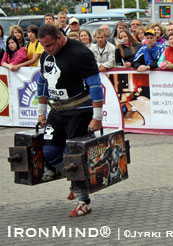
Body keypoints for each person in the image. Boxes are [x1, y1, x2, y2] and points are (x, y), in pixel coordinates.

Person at [36, 24, 103, 217]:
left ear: (59, 38)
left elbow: (96, 86)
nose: (47, 50)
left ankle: (84, 201)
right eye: (43, 46)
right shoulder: (45, 55)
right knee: (50, 152)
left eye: (49, 45)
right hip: (56, 110)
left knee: (73, 156)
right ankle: (75, 182)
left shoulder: (80, 53)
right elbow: (42, 82)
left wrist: (97, 118)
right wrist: (41, 112)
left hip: (79, 110)